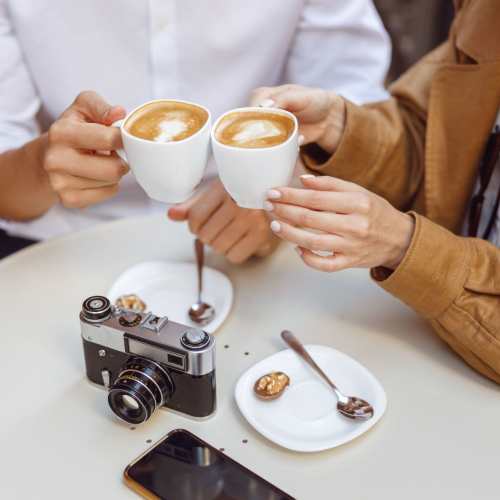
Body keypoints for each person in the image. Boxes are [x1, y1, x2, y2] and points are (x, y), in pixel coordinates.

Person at [0, 1, 390, 260]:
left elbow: (358, 111)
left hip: (268, 242)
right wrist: (40, 166)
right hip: (65, 243)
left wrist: (285, 184)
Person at [255, 0, 500, 383]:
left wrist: (405, 247)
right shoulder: (486, 14)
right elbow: (434, 145)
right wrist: (341, 128)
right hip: (425, 341)